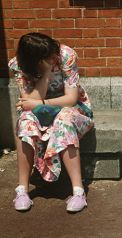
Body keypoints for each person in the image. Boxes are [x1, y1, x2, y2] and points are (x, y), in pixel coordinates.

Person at [8, 33, 94, 212]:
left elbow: (71, 98)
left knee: (63, 120)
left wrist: (40, 103)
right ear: (36, 60)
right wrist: (46, 74)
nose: (55, 57)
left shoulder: (66, 55)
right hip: (38, 111)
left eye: (54, 51)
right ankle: (22, 190)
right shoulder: (18, 66)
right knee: (25, 122)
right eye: (48, 57)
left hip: (73, 109)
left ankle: (78, 192)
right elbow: (27, 101)